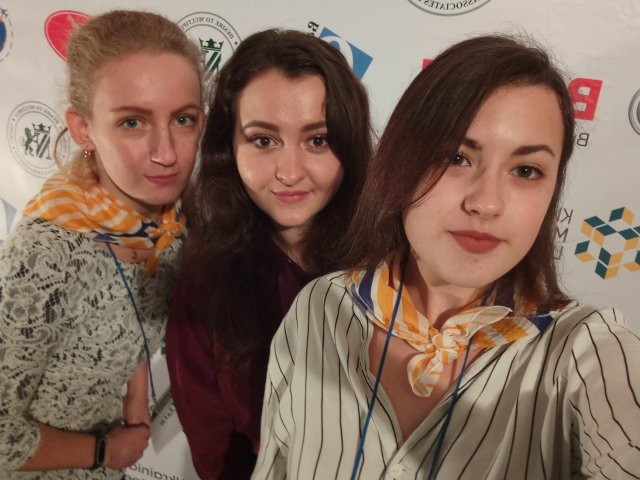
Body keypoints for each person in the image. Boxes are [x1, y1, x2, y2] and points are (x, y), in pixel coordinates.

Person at [252, 34, 640, 479]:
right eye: (456, 158)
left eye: (526, 170)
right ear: (400, 162)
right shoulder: (320, 307)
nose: (486, 202)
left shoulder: (582, 349)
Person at [0, 10, 204, 480]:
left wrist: (136, 394)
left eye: (183, 119)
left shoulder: (171, 225)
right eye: (132, 122)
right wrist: (104, 451)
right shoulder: (45, 257)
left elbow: (131, 310)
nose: (167, 152)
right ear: (83, 129)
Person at [165, 29, 372, 480]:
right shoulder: (204, 286)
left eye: (318, 140)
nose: (289, 172)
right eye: (263, 140)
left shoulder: (393, 263)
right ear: (228, 147)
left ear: (350, 144)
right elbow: (216, 455)